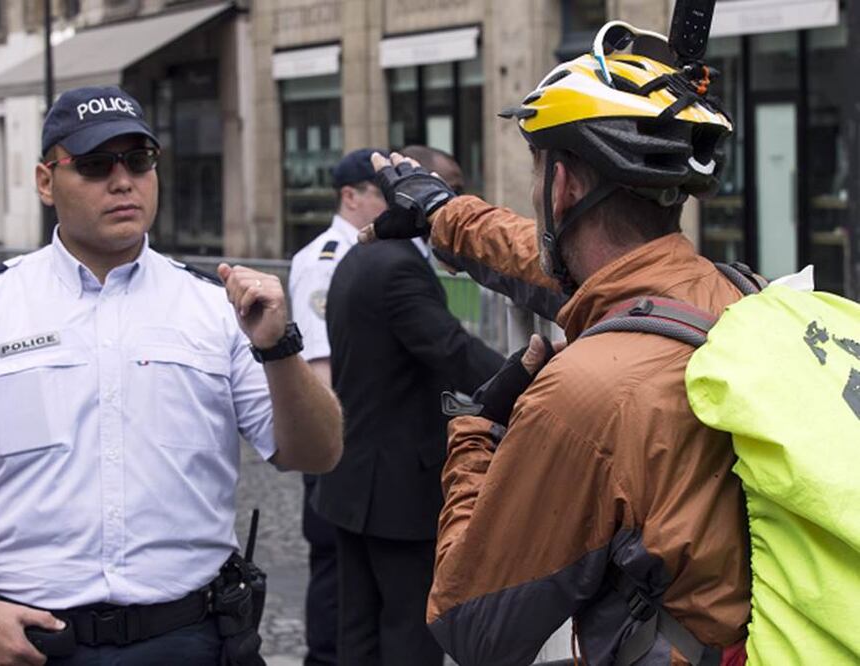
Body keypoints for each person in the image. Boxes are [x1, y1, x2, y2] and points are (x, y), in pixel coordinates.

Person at [0, 85, 343, 666]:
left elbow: (316, 454)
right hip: (27, 641)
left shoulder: (215, 307)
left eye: (138, 161)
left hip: (188, 637)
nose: (122, 181)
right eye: (94, 165)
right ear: (46, 181)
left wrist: (280, 347)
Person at [363, 27, 752, 666]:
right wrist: (443, 212)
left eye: (538, 169)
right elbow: (573, 274)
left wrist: (475, 431)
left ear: (563, 184)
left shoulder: (581, 397)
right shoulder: (739, 297)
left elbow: (471, 625)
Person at [313, 147, 503, 665]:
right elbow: (452, 351)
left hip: (356, 479)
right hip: (394, 488)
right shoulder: (398, 267)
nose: (459, 202)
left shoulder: (365, 254)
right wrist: (533, 378)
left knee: (360, 631)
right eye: (450, 189)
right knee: (408, 634)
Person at [288, 147, 387, 666]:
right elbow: (319, 365)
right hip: (336, 439)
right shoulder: (325, 260)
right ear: (351, 197)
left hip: (363, 437)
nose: (390, 201)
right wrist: (338, 448)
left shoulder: (373, 250)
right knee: (332, 560)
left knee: (358, 569)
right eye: (380, 193)